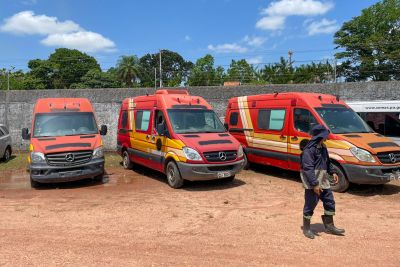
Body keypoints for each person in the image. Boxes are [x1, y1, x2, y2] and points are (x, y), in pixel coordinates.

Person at [300, 124, 345, 239]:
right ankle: (307, 229)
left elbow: (327, 161)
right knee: (310, 204)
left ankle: (330, 226)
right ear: (320, 136)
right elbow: (308, 168)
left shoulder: (323, 147)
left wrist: (333, 172)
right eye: (325, 135)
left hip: (323, 179)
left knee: (329, 201)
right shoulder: (309, 150)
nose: (327, 137)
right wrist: (314, 184)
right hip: (312, 181)